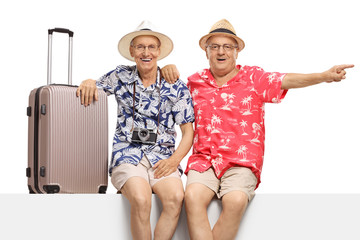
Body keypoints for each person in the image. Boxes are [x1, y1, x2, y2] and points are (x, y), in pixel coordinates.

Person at [161, 19, 354, 240]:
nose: (221, 51)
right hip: (204, 160)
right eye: (214, 46)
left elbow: (287, 80)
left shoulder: (254, 78)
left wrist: (325, 76)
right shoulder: (195, 82)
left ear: (236, 52)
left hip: (241, 162)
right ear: (206, 52)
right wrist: (166, 70)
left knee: (235, 200)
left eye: (227, 47)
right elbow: (164, 94)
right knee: (193, 196)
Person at [76, 20, 194, 240]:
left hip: (162, 158)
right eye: (140, 47)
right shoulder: (120, 76)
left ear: (159, 51)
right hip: (128, 155)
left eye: (151, 47)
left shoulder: (175, 84)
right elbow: (94, 85)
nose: (145, 52)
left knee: (176, 198)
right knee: (141, 199)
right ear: (132, 51)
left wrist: (174, 160)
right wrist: (88, 80)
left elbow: (189, 132)